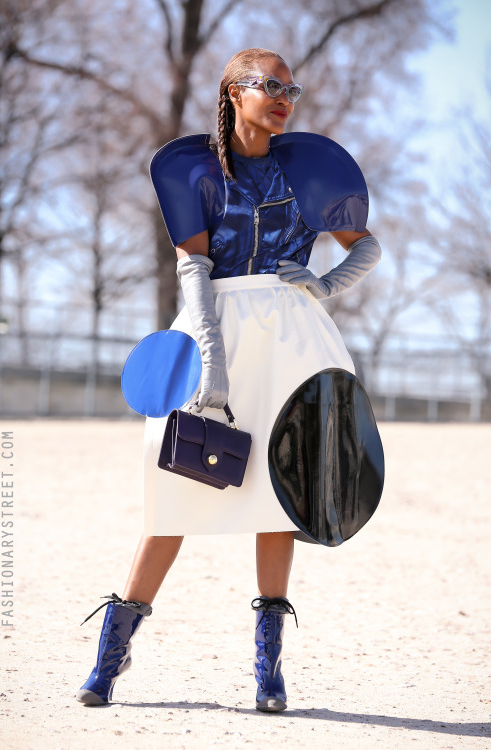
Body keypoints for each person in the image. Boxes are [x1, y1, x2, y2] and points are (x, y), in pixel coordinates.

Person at [76, 48, 381, 713]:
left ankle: (268, 671)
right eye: (269, 85)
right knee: (174, 491)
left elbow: (367, 245)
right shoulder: (192, 171)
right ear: (233, 92)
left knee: (279, 496)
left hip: (293, 340)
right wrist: (210, 364)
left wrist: (324, 284)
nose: (284, 97)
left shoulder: (311, 169)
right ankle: (111, 653)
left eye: (290, 88)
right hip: (214, 330)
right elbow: (195, 276)